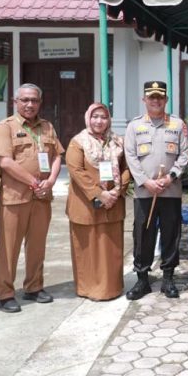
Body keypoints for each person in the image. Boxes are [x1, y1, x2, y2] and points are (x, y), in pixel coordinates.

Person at [0, 83, 64, 313]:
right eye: (25, 100)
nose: (30, 104)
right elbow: (5, 162)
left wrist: (50, 181)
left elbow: (57, 156)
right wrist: (34, 182)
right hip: (15, 198)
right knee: (9, 248)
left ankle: (34, 287)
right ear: (15, 102)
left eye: (34, 100)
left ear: (40, 103)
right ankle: (5, 294)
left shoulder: (47, 126)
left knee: (37, 246)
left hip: (41, 198)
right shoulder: (5, 127)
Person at [124, 81, 188, 300]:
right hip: (145, 192)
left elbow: (184, 154)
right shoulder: (134, 126)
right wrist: (145, 182)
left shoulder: (177, 124)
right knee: (143, 234)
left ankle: (168, 278)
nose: (156, 101)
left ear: (166, 99)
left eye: (160, 97)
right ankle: (142, 279)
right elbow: (130, 156)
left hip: (170, 191)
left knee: (171, 234)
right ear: (144, 99)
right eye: (151, 97)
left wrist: (171, 177)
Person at [66, 103, 131, 301]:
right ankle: (88, 288)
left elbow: (127, 168)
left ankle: (111, 288)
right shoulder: (78, 142)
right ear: (88, 118)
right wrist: (99, 194)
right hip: (86, 204)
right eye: (95, 117)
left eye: (103, 117)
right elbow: (76, 170)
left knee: (111, 247)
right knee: (87, 248)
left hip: (113, 203)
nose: (99, 121)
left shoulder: (118, 142)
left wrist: (117, 191)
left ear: (109, 120)